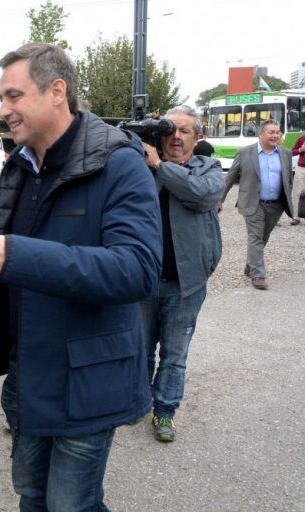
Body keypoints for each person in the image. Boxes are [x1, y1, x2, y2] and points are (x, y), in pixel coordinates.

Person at [0, 43, 161, 511]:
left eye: (13, 96)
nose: (3, 110)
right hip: (31, 375)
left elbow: (137, 270)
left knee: (72, 505)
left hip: (89, 381)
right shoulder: (21, 166)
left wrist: (16, 254)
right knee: (32, 496)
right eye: (1, 98)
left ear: (56, 92)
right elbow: (5, 251)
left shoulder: (119, 163)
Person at [140, 106, 223, 442]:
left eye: (185, 131)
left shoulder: (208, 167)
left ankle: (165, 412)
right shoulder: (142, 166)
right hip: (144, 280)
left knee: (174, 355)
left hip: (186, 285)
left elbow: (202, 195)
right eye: (170, 129)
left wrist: (160, 166)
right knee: (140, 349)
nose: (176, 136)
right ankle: (138, 401)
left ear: (197, 136)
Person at [220, 119, 294, 290]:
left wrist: (287, 197)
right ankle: (258, 274)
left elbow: (288, 179)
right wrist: (219, 199)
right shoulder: (245, 152)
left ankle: (251, 265)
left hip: (276, 205)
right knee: (255, 237)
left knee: (263, 237)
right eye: (271, 132)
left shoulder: (285, 153)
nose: (275, 135)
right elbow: (230, 177)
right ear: (261, 134)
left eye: (278, 132)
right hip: (252, 202)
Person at [290, 134, 305, 225]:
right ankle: (296, 217)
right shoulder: (301, 138)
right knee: (297, 193)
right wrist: (301, 150)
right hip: (301, 168)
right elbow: (292, 152)